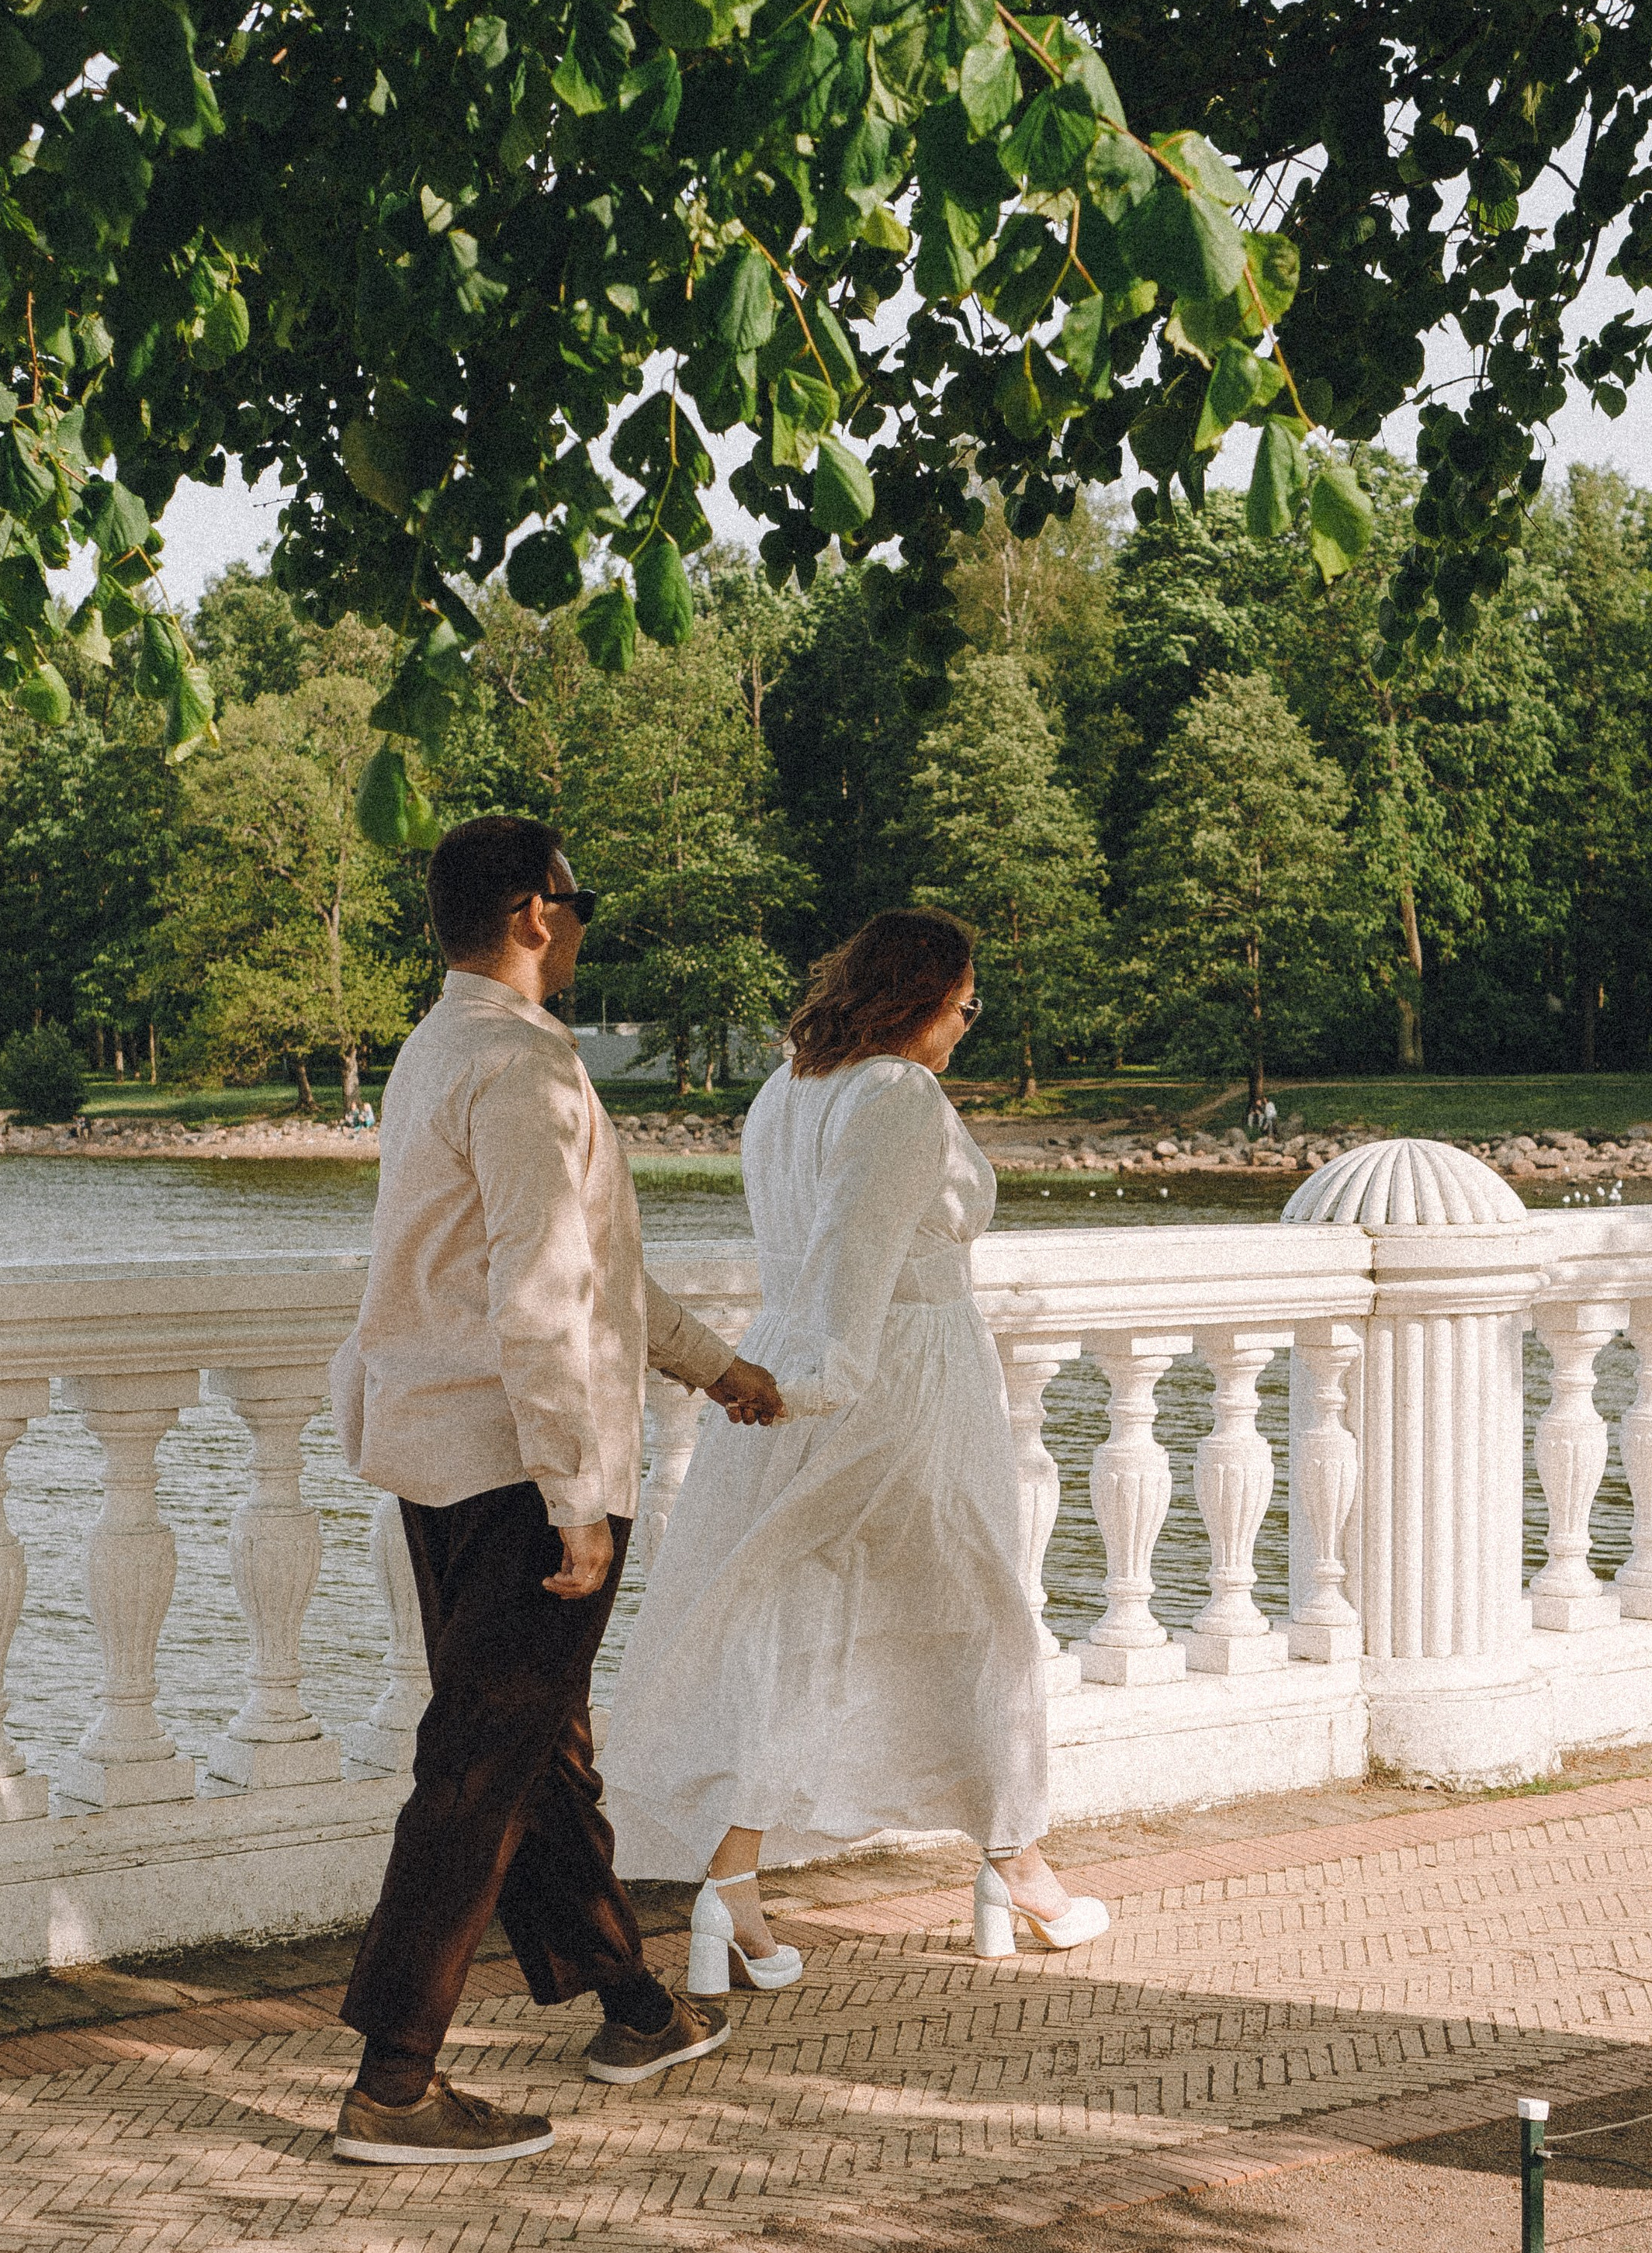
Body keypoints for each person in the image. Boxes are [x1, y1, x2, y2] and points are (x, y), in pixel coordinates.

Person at [327, 814, 784, 2168]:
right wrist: (576, 1490)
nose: (586, 924)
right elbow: (541, 1294)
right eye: (580, 902)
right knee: (478, 1765)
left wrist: (708, 1367)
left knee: (534, 1748)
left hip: (438, 1453)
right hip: (520, 1465)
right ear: (534, 911)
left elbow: (583, 1266)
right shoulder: (524, 1070)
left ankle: (636, 2006)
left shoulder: (435, 1047)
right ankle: (395, 2084)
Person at [601, 907, 1109, 1981]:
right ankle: (1016, 1865)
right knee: (973, 1604)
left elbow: (827, 1250)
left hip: (800, 1353)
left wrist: (789, 1379)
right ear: (919, 999)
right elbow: (859, 1253)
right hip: (885, 1375)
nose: (967, 1028)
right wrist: (817, 1392)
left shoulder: (791, 1085)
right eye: (965, 1007)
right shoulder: (896, 1094)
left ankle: (735, 1885)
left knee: (799, 1612)